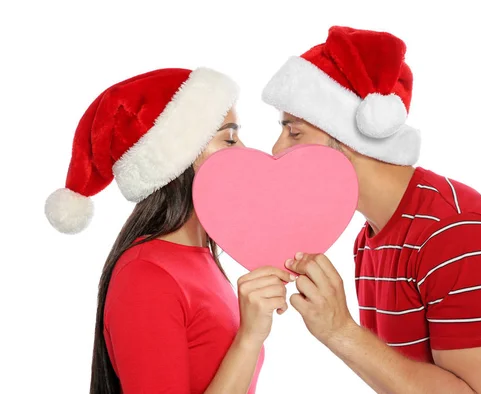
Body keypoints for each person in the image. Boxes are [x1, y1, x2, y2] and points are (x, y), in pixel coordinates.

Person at [262, 26, 481, 393]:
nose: (276, 151)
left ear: (347, 138)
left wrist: (339, 330)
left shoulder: (459, 233)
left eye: (294, 132)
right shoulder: (369, 240)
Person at [44, 67, 295, 394]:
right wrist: (248, 338)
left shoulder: (201, 259)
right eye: (229, 139)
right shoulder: (146, 276)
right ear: (177, 160)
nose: (245, 151)